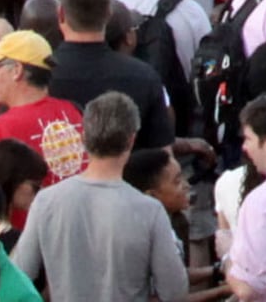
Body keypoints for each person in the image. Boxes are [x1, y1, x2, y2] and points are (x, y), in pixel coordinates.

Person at [11, 96, 181, 302]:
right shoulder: (149, 210)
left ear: (83, 137)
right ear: (131, 140)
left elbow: (19, 276)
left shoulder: (46, 202)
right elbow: (174, 291)